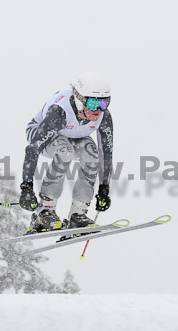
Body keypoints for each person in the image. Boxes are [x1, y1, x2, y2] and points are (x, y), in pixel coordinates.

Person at [19, 72, 113, 234]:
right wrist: (26, 187)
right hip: (40, 134)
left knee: (91, 153)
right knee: (65, 152)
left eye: (104, 103)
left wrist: (104, 188)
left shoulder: (103, 116)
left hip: (75, 136)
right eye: (92, 104)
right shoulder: (60, 112)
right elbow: (33, 149)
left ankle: (78, 214)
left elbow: (106, 152)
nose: (98, 110)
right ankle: (44, 212)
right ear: (79, 100)